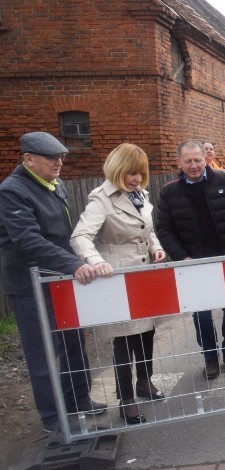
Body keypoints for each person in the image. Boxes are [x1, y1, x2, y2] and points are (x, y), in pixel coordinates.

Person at [0, 132, 105, 432]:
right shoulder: (12, 191)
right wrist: (72, 263)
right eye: (51, 158)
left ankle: (78, 399)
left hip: (59, 280)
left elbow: (64, 232)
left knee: (73, 342)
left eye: (60, 156)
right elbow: (27, 240)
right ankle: (53, 417)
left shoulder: (54, 184)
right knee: (44, 352)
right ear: (28, 159)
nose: (59, 162)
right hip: (30, 286)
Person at [70, 144, 166, 424]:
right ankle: (126, 399)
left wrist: (156, 247)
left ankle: (144, 382)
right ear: (117, 169)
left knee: (146, 333)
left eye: (140, 173)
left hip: (143, 275)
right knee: (124, 341)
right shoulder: (101, 199)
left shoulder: (141, 196)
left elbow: (147, 231)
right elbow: (80, 237)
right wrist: (95, 261)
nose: (136, 179)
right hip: (117, 278)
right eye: (131, 173)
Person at [156, 140, 225, 380]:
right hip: (194, 264)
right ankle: (210, 358)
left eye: (197, 160)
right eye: (188, 161)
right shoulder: (169, 192)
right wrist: (183, 257)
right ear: (179, 162)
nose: (193, 165)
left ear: (205, 159)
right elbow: (163, 229)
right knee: (201, 314)